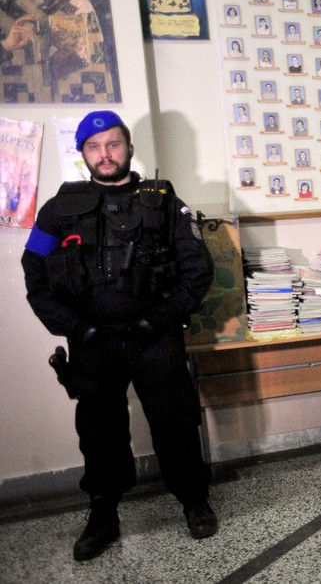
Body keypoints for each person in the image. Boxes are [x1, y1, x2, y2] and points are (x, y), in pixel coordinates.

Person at [21, 110, 217, 561]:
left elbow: (197, 269)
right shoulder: (56, 211)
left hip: (155, 335)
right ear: (83, 154)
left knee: (175, 421)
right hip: (92, 341)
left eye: (112, 144)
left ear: (129, 148)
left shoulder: (166, 204)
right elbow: (35, 274)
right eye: (94, 147)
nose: (104, 154)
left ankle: (194, 499)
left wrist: (161, 318)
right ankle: (103, 515)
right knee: (99, 431)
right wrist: (75, 327)